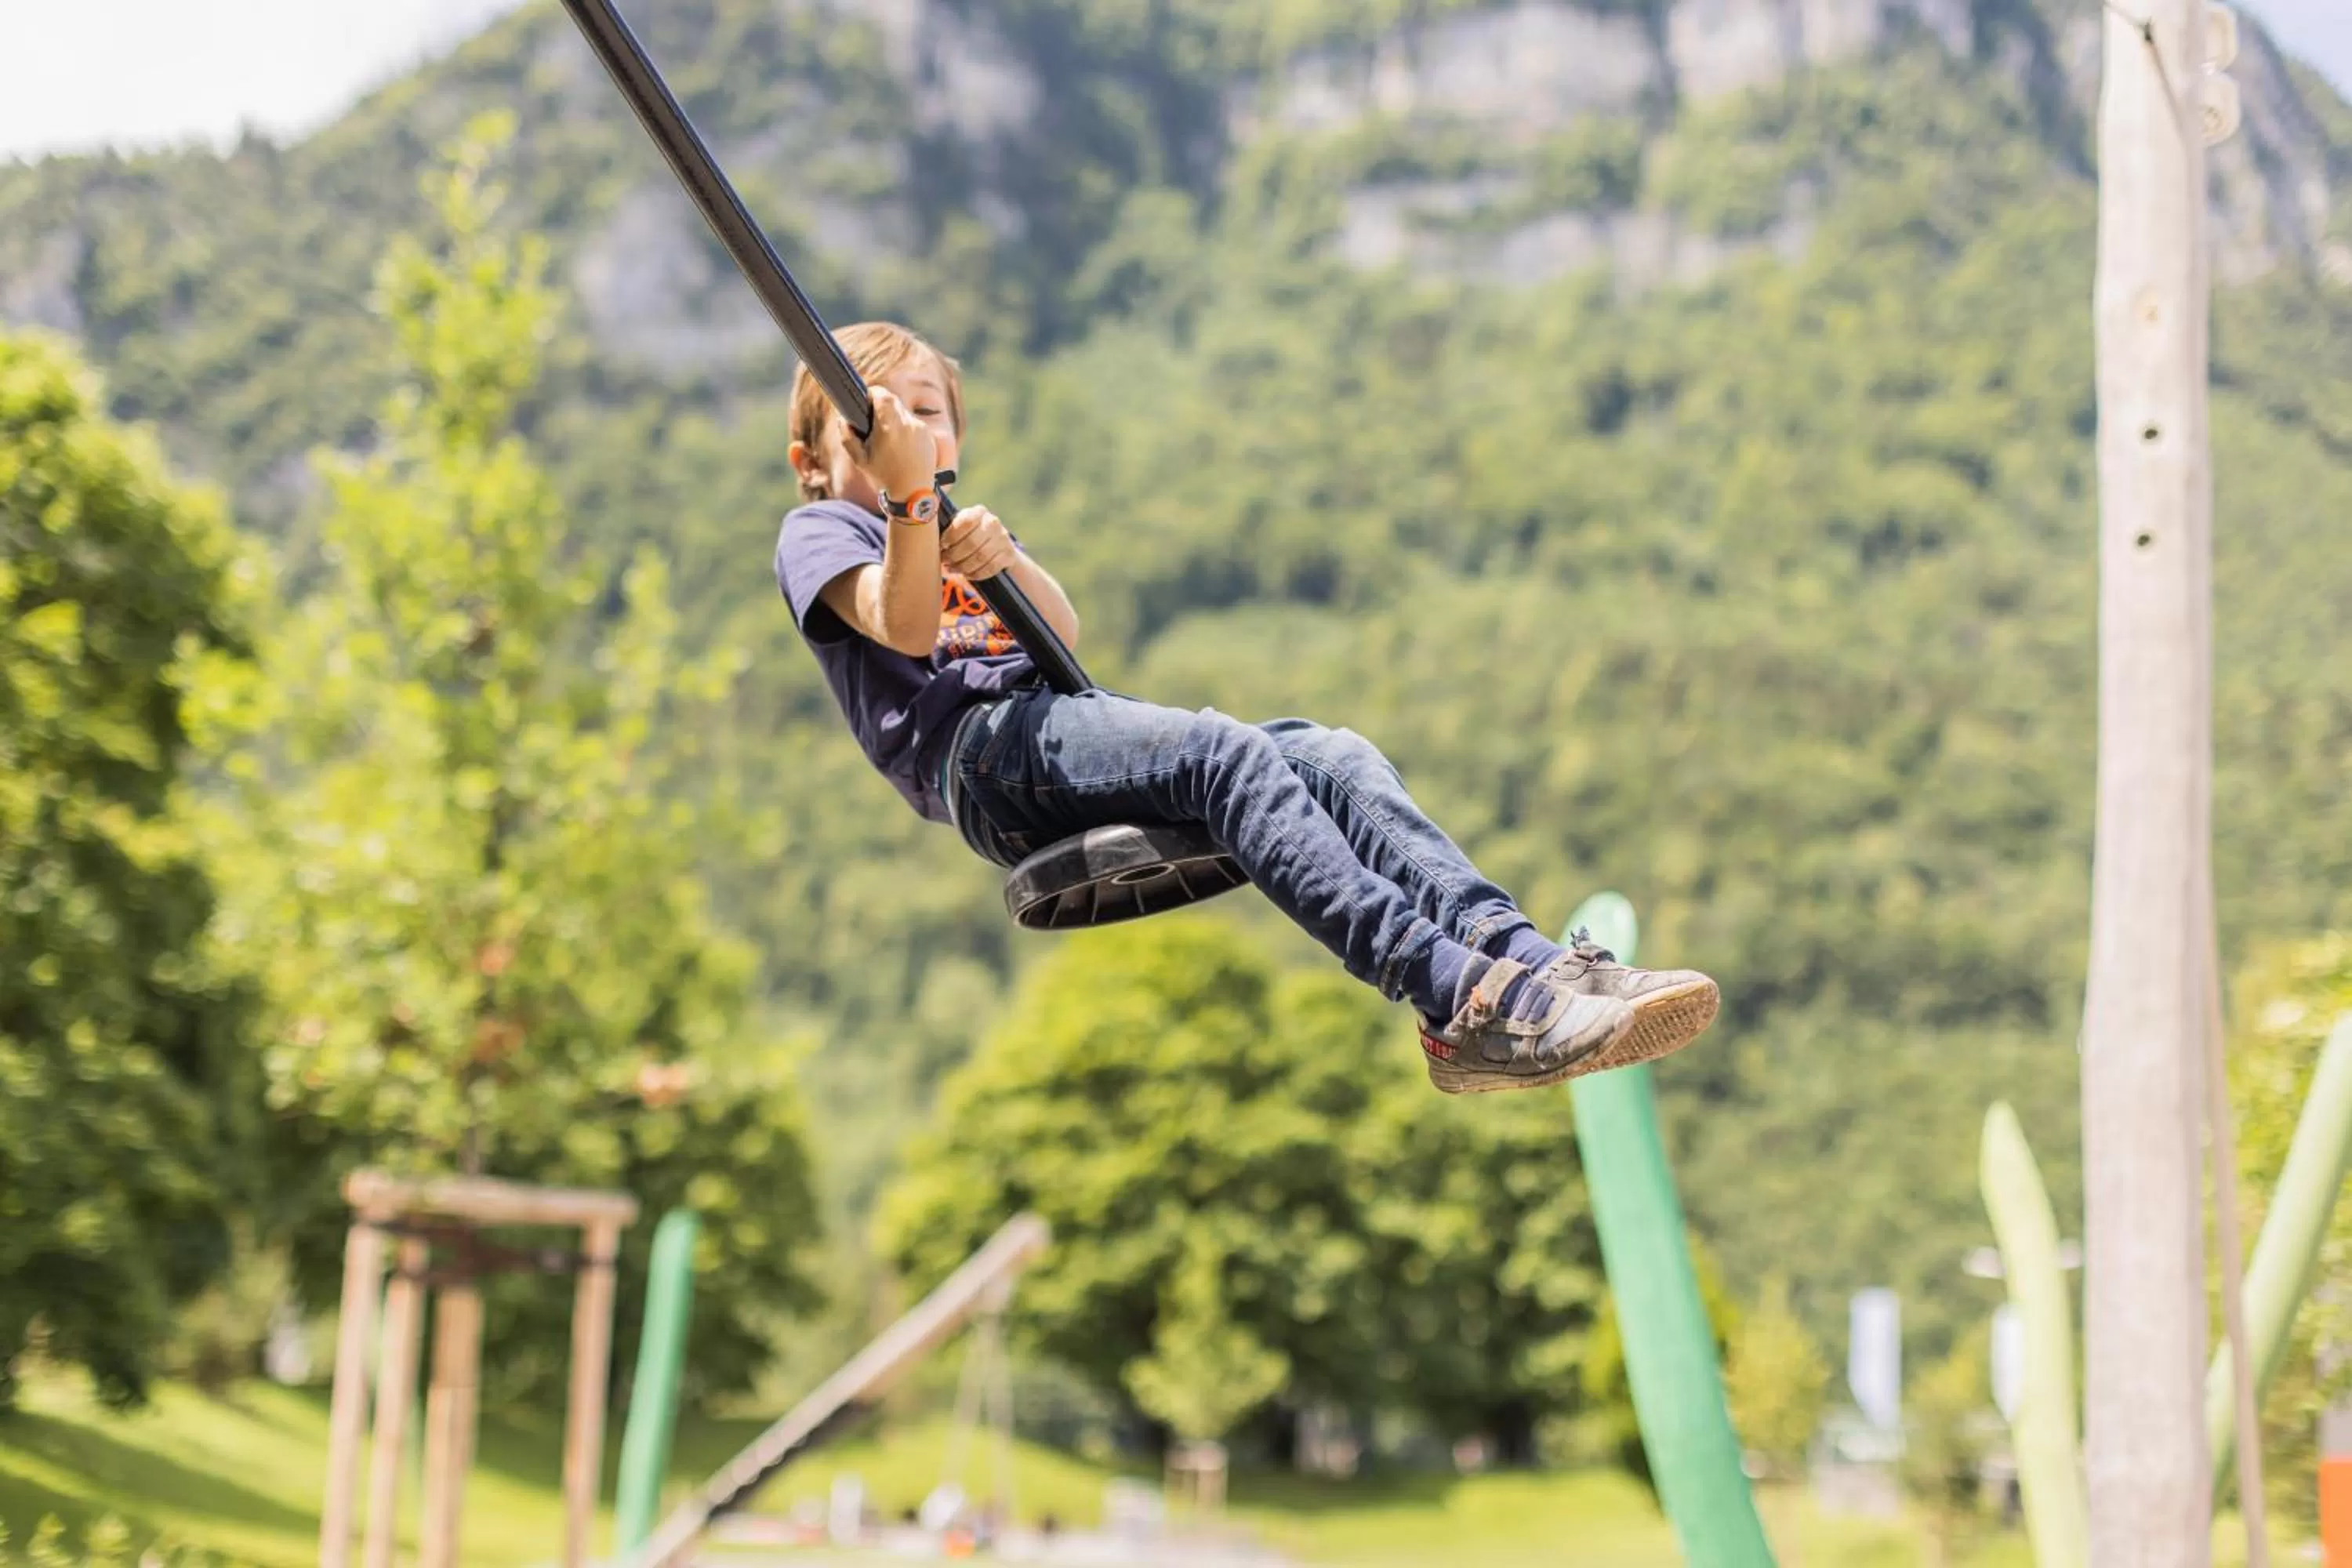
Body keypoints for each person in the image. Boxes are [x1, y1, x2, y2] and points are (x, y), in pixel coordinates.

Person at [775, 322, 1720, 1093]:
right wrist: (906, 500)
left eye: (926, 415)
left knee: (1330, 755)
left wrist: (1004, 557)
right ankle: (1453, 990)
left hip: (1055, 727)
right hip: (980, 753)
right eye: (873, 424)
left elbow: (1059, 630)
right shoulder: (824, 528)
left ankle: (1515, 951)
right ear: (812, 459)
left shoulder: (953, 525)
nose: (906, 433)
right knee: (1223, 757)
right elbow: (903, 626)